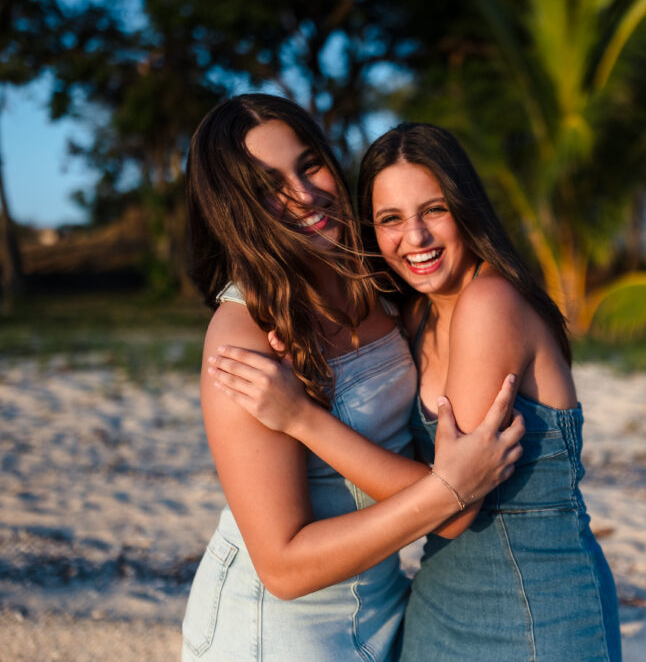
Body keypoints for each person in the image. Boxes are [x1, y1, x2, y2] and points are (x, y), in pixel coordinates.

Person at [212, 122, 621, 661]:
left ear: (465, 206)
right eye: (390, 220)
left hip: (533, 601)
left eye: (434, 210)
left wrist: (301, 418)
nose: (416, 238)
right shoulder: (413, 313)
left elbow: (456, 503)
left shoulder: (489, 303)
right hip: (435, 602)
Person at [182, 95, 524, 662]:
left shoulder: (378, 281)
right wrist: (449, 492)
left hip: (385, 609)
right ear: (238, 210)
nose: (305, 194)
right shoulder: (244, 335)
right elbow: (284, 568)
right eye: (271, 185)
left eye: (309, 164)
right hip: (276, 635)